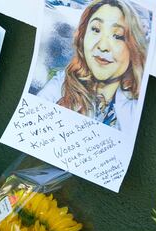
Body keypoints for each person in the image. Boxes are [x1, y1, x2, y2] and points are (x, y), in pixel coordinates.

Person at [38, 0, 147, 132]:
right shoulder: (61, 84)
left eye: (117, 36)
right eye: (95, 29)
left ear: (133, 48)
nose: (103, 46)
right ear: (83, 37)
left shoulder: (136, 105)